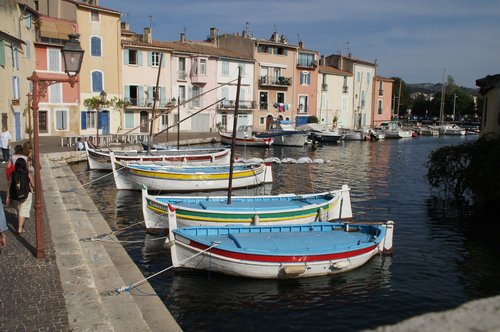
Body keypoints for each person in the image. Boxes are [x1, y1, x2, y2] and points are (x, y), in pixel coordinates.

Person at [6, 158, 34, 235]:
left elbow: (9, 185)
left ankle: (21, 223)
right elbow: (33, 184)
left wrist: (7, 197)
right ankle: (20, 228)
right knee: (23, 211)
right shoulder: (27, 173)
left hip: (15, 196)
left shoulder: (12, 173)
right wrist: (33, 189)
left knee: (20, 211)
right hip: (25, 195)